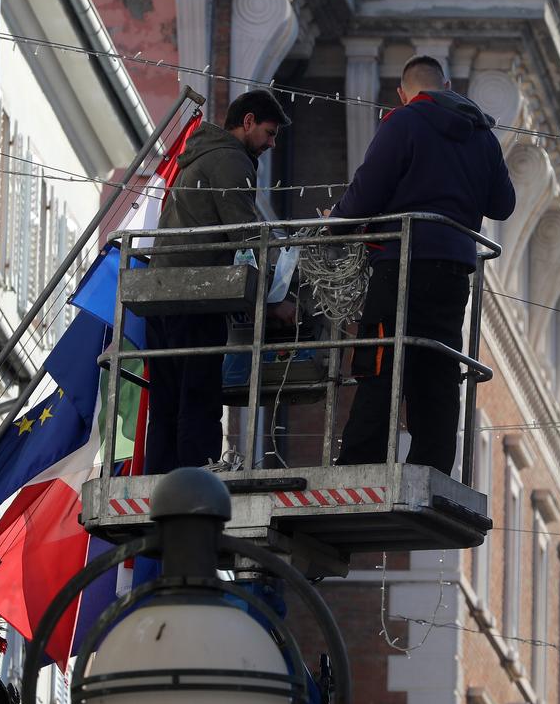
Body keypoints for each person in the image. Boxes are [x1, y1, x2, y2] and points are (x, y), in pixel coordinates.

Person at [331, 55, 515, 474]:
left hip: (401, 263)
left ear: (403, 93)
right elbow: (503, 205)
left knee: (383, 359)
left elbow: (366, 192)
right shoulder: (482, 135)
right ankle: (432, 466)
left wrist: (333, 224)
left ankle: (360, 461)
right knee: (438, 367)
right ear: (447, 85)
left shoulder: (403, 121)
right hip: (454, 270)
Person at [146, 88, 292, 473]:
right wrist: (274, 297)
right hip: (197, 294)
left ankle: (159, 478)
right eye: (269, 133)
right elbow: (244, 235)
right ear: (248, 122)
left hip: (160, 293)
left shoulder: (200, 155)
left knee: (166, 402)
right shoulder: (230, 159)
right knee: (199, 394)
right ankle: (198, 478)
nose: (272, 144)